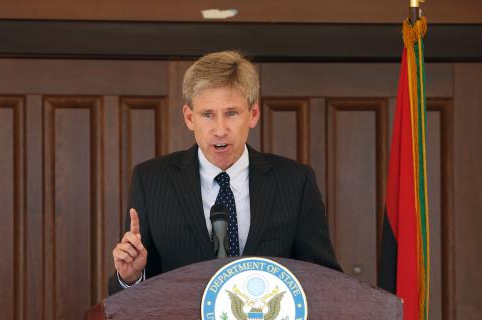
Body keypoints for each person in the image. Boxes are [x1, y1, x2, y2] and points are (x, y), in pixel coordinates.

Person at [108, 50, 341, 295]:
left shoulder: (295, 182)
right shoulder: (151, 180)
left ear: (253, 115)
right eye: (207, 114)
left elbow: (324, 278)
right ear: (189, 118)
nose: (220, 130)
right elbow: (130, 301)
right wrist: (130, 277)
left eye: (231, 113)